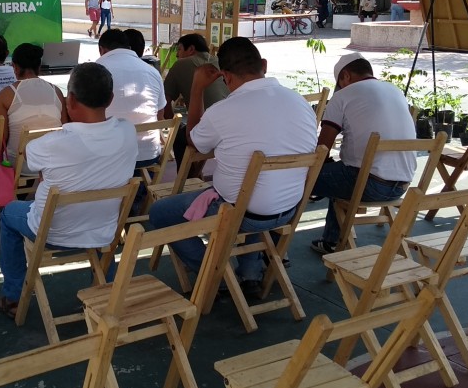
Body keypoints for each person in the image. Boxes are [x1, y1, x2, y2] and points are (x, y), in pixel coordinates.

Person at [149, 38, 317, 292]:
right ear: (264, 65)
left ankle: (218, 273)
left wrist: (196, 89)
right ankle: (250, 272)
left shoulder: (224, 111)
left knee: (161, 212)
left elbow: (194, 141)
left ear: (225, 76)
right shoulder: (301, 103)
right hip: (288, 209)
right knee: (251, 193)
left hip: (242, 213)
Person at [0, 62, 138, 317]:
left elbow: (34, 165)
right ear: (111, 98)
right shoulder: (128, 131)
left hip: (53, 232)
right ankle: (109, 293)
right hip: (104, 229)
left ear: (69, 101)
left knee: (8, 214)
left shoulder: (50, 144)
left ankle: (13, 295)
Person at [309, 53, 417, 255]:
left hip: (367, 184)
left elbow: (322, 149)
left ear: (346, 76)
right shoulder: (396, 91)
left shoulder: (343, 96)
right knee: (340, 172)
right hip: (403, 185)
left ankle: (275, 248)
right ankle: (332, 239)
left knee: (300, 176)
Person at [96, 29, 165, 169]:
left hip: (109, 158)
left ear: (102, 49)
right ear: (128, 47)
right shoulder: (152, 72)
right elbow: (160, 115)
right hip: (148, 154)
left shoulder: (94, 71)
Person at [163, 33, 229, 172]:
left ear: (191, 49)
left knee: (178, 135)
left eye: (179, 49)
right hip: (228, 127)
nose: (177, 55)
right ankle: (194, 174)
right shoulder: (218, 61)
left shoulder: (181, 64)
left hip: (206, 131)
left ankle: (187, 178)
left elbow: (165, 103)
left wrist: (171, 125)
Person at [0, 43, 67, 167]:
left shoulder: (6, 94)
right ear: (39, 67)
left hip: (18, 165)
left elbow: (1, 137)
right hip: (53, 164)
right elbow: (65, 129)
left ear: (15, 67)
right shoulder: (56, 91)